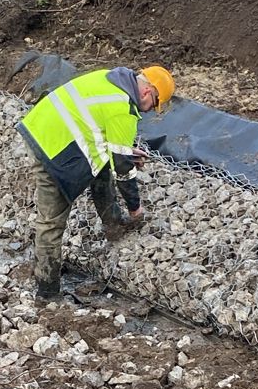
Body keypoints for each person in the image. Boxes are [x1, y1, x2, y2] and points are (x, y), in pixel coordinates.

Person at [18, 63, 177, 301]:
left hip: (43, 126)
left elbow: (99, 126)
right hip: (51, 146)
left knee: (102, 163)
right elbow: (123, 170)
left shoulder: (110, 78)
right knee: (51, 221)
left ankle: (113, 224)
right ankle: (47, 291)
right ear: (147, 91)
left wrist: (125, 151)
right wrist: (135, 208)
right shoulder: (123, 108)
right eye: (154, 104)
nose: (151, 110)